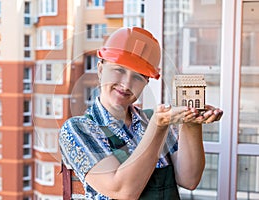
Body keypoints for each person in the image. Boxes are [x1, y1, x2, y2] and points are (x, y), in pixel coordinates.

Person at [59, 27, 223, 199]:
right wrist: (158, 127)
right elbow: (123, 191)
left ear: (146, 82)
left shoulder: (155, 118)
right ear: (100, 70)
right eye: (119, 70)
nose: (126, 84)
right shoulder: (79, 129)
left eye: (138, 77)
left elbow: (189, 179)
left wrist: (191, 121)